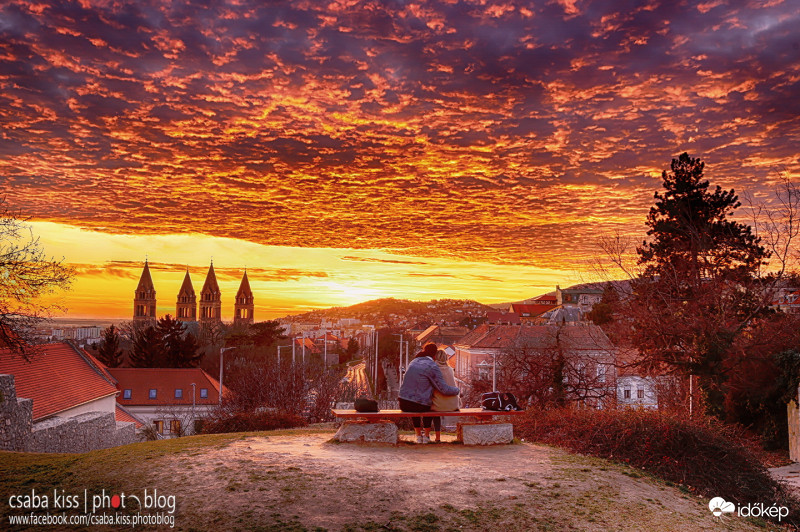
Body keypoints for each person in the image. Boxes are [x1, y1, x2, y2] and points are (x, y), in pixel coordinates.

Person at [398, 342, 459, 444]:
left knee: (414, 401)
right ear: (434, 355)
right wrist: (457, 390)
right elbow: (443, 389)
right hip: (419, 405)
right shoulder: (432, 366)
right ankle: (426, 437)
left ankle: (418, 436)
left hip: (403, 403)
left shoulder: (413, 362)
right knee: (429, 403)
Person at [430, 349, 460, 442]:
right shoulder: (451, 370)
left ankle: (437, 437)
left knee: (434, 412)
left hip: (438, 404)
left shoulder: (433, 370)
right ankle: (438, 437)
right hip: (453, 404)